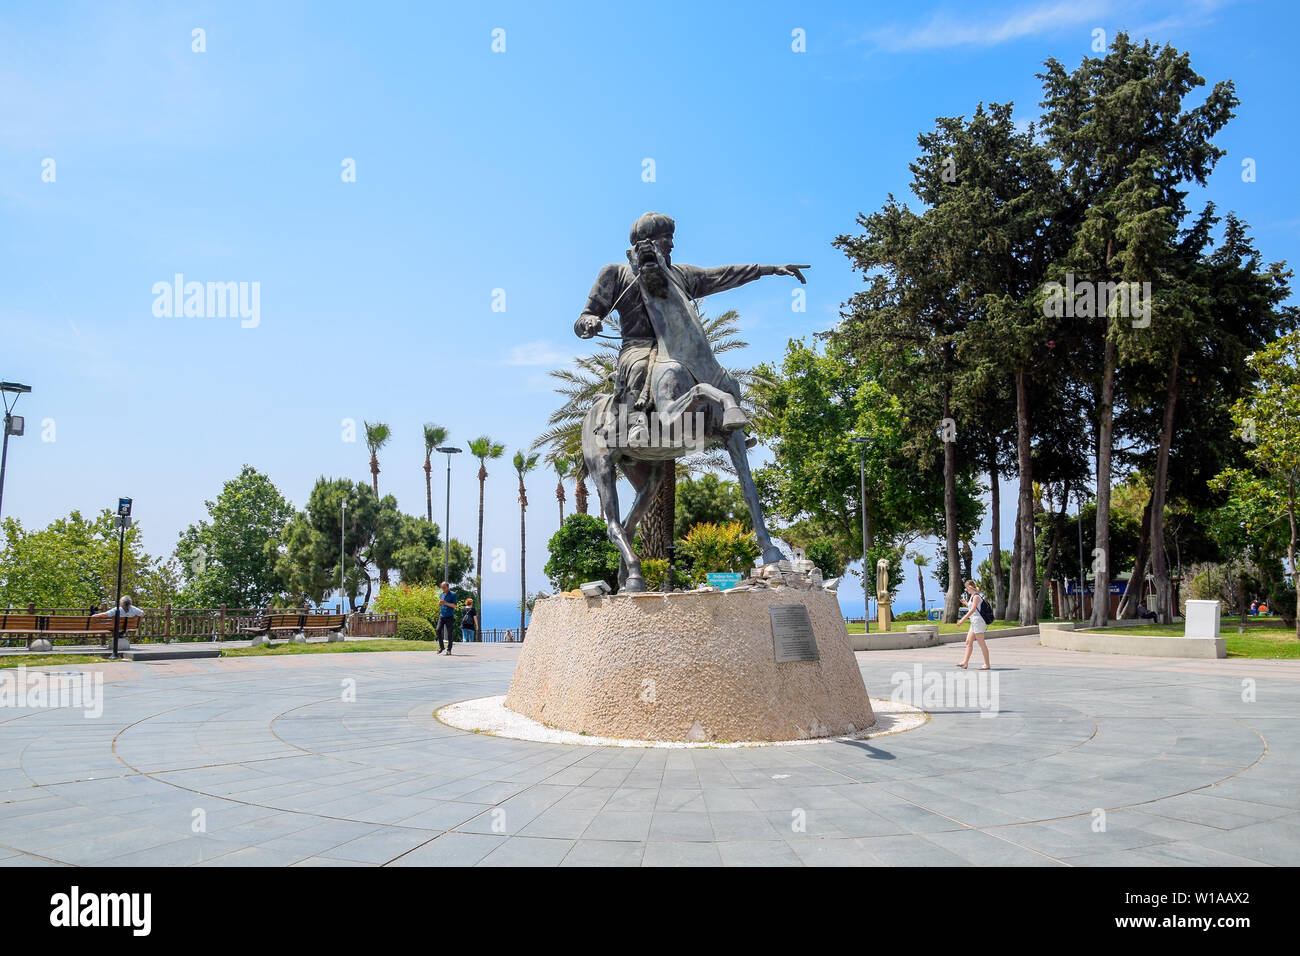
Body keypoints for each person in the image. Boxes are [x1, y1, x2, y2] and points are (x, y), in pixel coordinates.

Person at [575, 212, 806, 442]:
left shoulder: (681, 275)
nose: (672, 244)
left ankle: (726, 427)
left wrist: (770, 269)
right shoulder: (615, 273)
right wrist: (590, 322)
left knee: (717, 373)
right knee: (639, 366)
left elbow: (722, 275)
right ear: (648, 240)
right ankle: (636, 421)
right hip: (639, 346)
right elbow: (585, 316)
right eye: (666, 237)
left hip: (677, 346)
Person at [956, 580, 992, 670]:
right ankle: (965, 662)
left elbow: (972, 610)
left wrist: (962, 620)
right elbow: (974, 608)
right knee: (968, 641)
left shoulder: (976, 596)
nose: (966, 589)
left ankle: (987, 664)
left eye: (967, 587)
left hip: (978, 622)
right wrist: (966, 603)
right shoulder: (972, 596)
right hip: (974, 622)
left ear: (970, 587)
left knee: (981, 642)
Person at [436, 581, 458, 655]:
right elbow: (440, 604)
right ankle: (441, 647)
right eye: (442, 587)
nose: (443, 589)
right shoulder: (442, 594)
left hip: (449, 616)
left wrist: (445, 603)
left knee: (449, 634)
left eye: (444, 587)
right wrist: (439, 603)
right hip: (442, 616)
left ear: (448, 587)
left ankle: (449, 649)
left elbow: (454, 606)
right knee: (438, 630)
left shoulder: (453, 594)